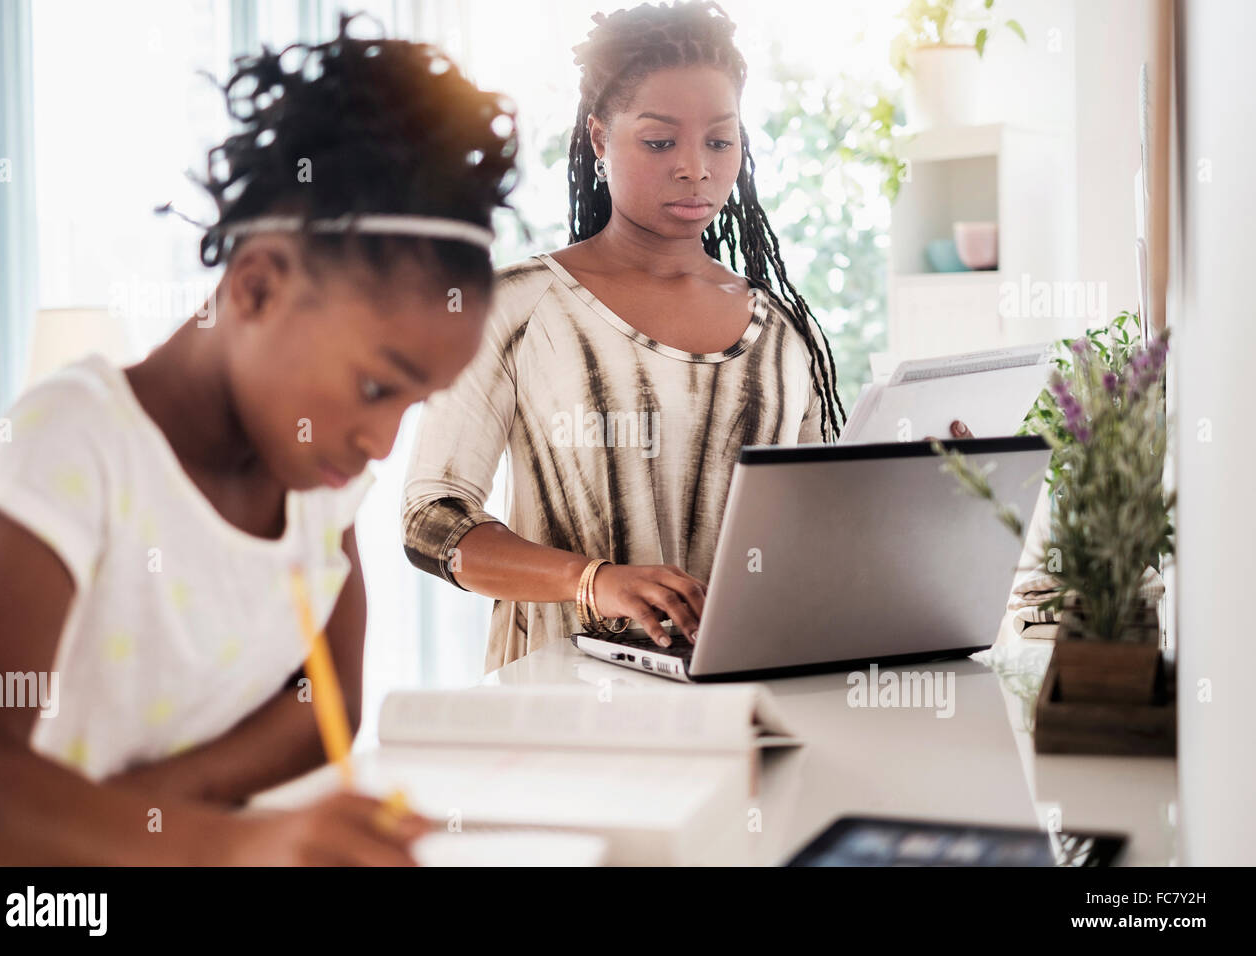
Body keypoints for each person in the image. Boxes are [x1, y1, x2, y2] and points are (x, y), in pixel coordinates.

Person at [0, 16, 517, 865]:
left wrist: (176, 821)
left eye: (417, 403)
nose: (380, 443)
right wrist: (225, 846)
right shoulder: (75, 442)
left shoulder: (321, 478)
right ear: (255, 288)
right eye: (375, 385)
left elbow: (325, 701)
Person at [403, 1, 970, 672]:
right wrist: (594, 580)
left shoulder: (779, 336)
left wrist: (921, 492)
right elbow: (432, 524)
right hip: (561, 719)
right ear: (598, 138)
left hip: (743, 703)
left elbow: (810, 544)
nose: (695, 168)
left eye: (720, 141)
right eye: (660, 141)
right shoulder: (517, 306)